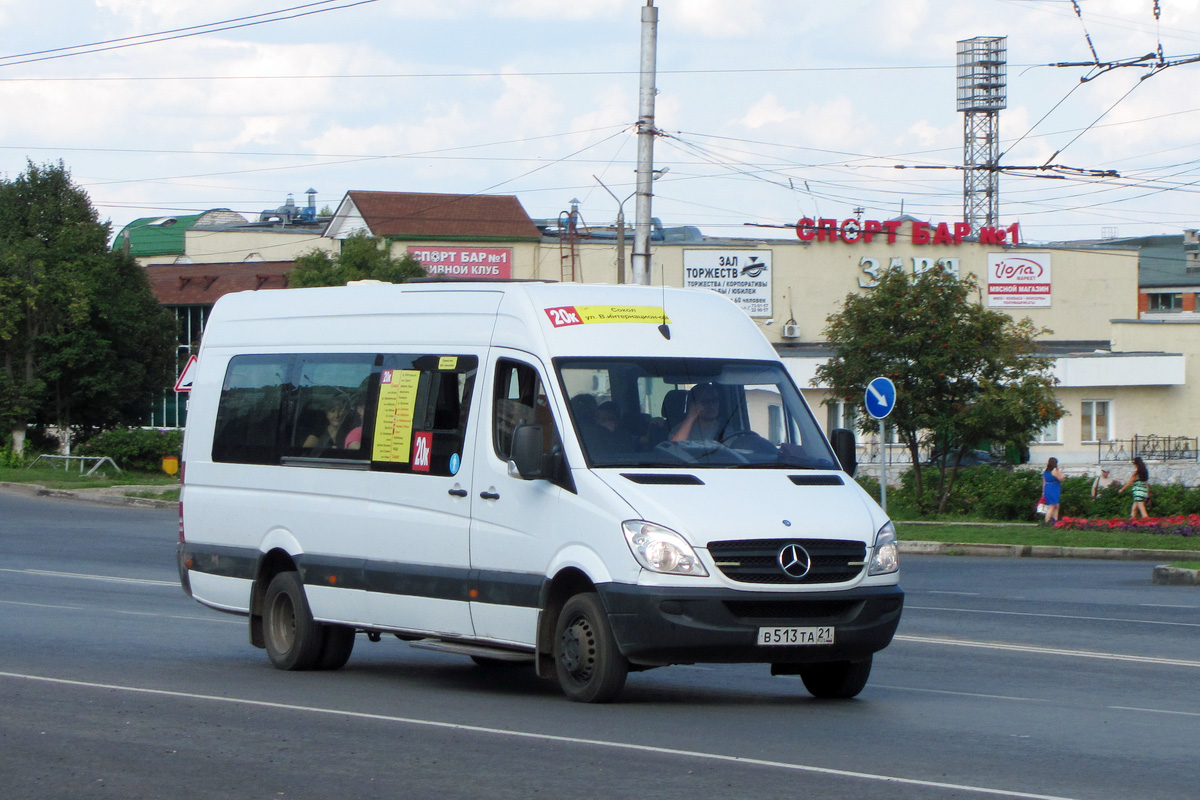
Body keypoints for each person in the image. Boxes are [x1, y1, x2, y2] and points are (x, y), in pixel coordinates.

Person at [1041, 457, 1064, 524]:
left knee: (1055, 505)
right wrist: (1059, 471)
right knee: (1052, 506)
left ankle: (1055, 521)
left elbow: (1044, 482)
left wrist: (1043, 492)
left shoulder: (1045, 472)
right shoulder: (1054, 471)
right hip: (1054, 488)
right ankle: (1047, 521)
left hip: (1047, 488)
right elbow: (1061, 478)